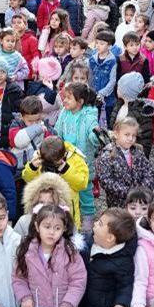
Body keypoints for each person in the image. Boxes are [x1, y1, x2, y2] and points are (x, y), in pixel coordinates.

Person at [13, 203, 87, 307]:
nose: (52, 232)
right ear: (37, 226)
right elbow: (19, 278)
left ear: (64, 229)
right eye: (47, 227)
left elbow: (78, 281)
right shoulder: (27, 252)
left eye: (57, 228)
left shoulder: (70, 253)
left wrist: (68, 304)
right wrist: (25, 297)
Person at [54, 82, 101, 229]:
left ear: (80, 102)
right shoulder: (64, 113)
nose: (65, 100)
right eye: (64, 97)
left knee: (85, 191)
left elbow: (93, 136)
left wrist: (96, 135)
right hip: (65, 158)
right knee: (66, 188)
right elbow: (57, 132)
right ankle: (68, 216)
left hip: (82, 162)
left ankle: (87, 218)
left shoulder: (88, 116)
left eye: (69, 98)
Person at [79, 208, 138, 307]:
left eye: (100, 224)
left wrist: (120, 305)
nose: (95, 223)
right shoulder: (88, 243)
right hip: (84, 306)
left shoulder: (123, 261)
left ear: (110, 238)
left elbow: (125, 286)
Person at [20, 136, 90, 225]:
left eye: (55, 163)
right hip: (42, 211)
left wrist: (66, 170)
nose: (51, 165)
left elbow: (82, 184)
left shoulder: (75, 158)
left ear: (64, 155)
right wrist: (32, 167)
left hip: (67, 212)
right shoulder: (40, 156)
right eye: (48, 162)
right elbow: (27, 179)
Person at [94, 116, 154, 208]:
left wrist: (143, 191)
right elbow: (106, 181)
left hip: (140, 202)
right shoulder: (107, 155)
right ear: (116, 134)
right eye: (127, 135)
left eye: (133, 135)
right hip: (119, 204)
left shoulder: (138, 151)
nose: (130, 138)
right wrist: (130, 193)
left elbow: (149, 172)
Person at [112, 71, 154, 157]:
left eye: (119, 87)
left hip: (133, 153)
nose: (117, 89)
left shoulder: (142, 111)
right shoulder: (119, 104)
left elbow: (146, 136)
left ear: (126, 91)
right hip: (118, 149)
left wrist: (142, 155)